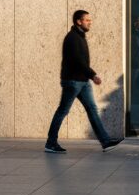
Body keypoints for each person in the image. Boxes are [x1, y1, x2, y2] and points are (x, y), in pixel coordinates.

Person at [44, 10, 123, 153]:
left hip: (82, 81)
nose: (90, 22)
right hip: (73, 81)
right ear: (78, 21)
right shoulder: (72, 38)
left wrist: (89, 76)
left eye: (90, 20)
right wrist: (93, 75)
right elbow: (78, 61)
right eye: (87, 20)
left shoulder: (80, 37)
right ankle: (50, 143)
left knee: (92, 109)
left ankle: (105, 142)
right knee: (63, 111)